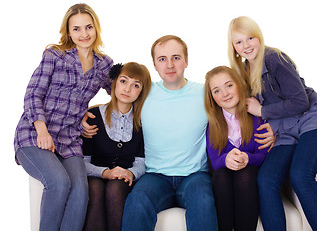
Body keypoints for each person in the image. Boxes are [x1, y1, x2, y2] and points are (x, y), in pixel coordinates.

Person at [228, 16, 317, 230]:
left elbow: (300, 101)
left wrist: (263, 110)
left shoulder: (274, 58)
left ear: (259, 37)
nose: (246, 45)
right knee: (266, 181)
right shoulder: (244, 71)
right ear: (233, 47)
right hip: (285, 132)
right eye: (239, 42)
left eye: (250, 38)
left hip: (314, 120)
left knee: (300, 175)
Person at [13, 3, 113, 231]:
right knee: (59, 183)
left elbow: (119, 94)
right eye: (76, 29)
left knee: (80, 192)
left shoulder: (104, 64)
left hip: (69, 139)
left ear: (96, 28)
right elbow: (33, 94)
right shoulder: (55, 55)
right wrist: (42, 130)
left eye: (88, 27)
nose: (84, 34)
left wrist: (89, 112)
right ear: (68, 32)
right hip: (35, 134)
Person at [119, 35, 218, 231]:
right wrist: (87, 116)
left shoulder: (205, 93)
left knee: (204, 201)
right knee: (137, 201)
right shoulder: (144, 94)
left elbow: (234, 110)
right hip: (155, 175)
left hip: (195, 175)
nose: (170, 65)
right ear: (155, 65)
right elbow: (117, 103)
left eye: (176, 57)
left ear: (186, 61)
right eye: (162, 59)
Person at [82, 62, 151, 231]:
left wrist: (130, 173)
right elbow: (81, 162)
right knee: (95, 189)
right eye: (123, 81)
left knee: (116, 186)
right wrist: (105, 173)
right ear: (114, 82)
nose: (127, 89)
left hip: (123, 179)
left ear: (142, 91)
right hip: (95, 175)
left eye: (136, 85)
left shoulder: (142, 121)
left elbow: (141, 163)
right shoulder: (94, 116)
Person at [205, 65, 269, 231]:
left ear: (239, 85)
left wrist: (248, 158)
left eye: (229, 85)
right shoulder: (213, 124)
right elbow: (214, 160)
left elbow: (263, 154)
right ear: (212, 97)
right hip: (223, 176)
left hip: (250, 174)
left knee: (245, 174)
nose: (225, 93)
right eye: (217, 91)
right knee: (221, 176)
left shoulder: (256, 117)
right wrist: (226, 159)